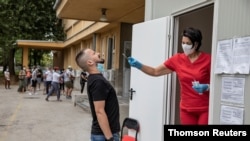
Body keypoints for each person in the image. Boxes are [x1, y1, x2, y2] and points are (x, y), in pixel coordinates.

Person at [127, 27, 211, 125]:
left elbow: (218, 83)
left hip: (205, 108)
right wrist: (139, 65)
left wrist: (207, 87)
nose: (184, 46)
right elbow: (155, 71)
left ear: (196, 44)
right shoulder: (177, 59)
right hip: (186, 109)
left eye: (188, 43)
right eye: (183, 43)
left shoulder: (208, 59)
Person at [75, 48, 120, 141]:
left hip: (103, 134)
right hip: (105, 135)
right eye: (94, 53)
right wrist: (109, 138)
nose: (99, 53)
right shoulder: (98, 81)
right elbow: (99, 111)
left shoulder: (95, 78)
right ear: (90, 62)